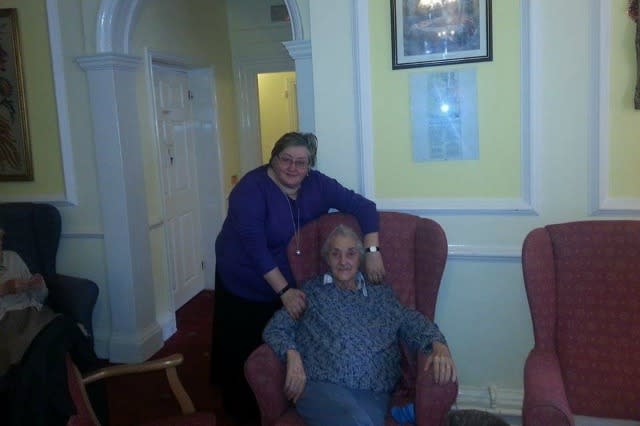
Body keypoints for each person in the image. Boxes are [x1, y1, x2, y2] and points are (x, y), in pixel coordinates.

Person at [210, 132, 386, 423]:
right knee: (241, 349)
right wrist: (284, 292)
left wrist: (373, 250)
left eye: (301, 163)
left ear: (309, 166)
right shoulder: (250, 189)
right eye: (286, 160)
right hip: (243, 274)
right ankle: (241, 411)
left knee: (279, 339)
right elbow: (256, 249)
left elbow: (364, 207)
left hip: (286, 275)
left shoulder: (317, 185)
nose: (293, 168)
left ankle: (279, 399)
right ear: (274, 158)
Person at [262, 224, 457, 426]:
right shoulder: (310, 293)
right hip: (320, 387)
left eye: (351, 254)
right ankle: (405, 414)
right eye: (335, 254)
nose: (343, 261)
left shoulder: (381, 295)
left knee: (361, 420)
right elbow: (276, 329)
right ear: (327, 259)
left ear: (360, 258)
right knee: (356, 420)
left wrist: (437, 343)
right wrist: (291, 354)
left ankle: (404, 414)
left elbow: (412, 322)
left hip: (373, 392)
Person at [0, 228, 100, 425]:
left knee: (55, 335)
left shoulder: (12, 258)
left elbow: (38, 298)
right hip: (8, 325)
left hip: (36, 313)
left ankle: (68, 407)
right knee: (64, 335)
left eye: (1, 240)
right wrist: (5, 288)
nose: (0, 245)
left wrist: (37, 286)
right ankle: (89, 398)